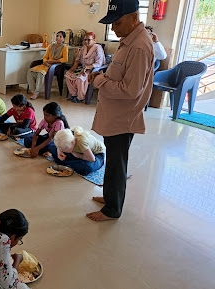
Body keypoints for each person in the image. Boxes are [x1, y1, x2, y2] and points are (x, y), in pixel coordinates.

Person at [86, 0, 154, 221]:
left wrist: (100, 81)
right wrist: (103, 75)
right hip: (114, 114)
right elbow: (121, 74)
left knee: (117, 162)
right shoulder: (129, 41)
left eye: (117, 22)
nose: (113, 28)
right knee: (114, 159)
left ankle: (112, 210)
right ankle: (109, 196)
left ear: (134, 18)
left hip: (123, 117)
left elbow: (131, 90)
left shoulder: (140, 46)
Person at [65, 32, 105, 103]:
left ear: (94, 40)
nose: (86, 41)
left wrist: (86, 68)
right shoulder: (84, 48)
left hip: (93, 69)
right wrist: (73, 68)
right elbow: (78, 59)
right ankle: (74, 94)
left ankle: (80, 97)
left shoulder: (98, 48)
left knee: (80, 78)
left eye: (89, 40)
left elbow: (99, 63)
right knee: (68, 75)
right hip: (83, 67)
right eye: (85, 40)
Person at [27, 31, 69, 100]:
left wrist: (52, 61)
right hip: (46, 65)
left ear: (63, 39)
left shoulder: (64, 47)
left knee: (40, 73)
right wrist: (46, 62)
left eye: (60, 36)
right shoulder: (50, 46)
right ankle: (34, 91)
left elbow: (65, 59)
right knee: (30, 72)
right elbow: (45, 57)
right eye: (57, 36)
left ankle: (36, 93)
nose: (58, 38)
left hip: (54, 67)